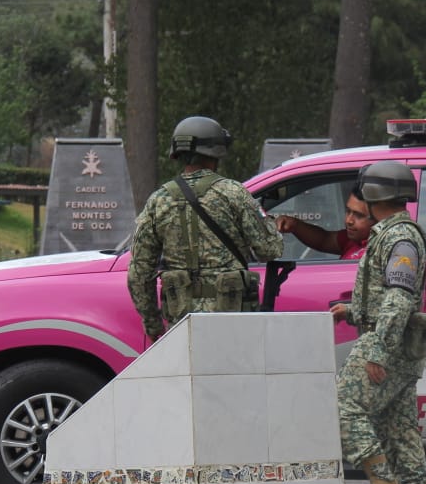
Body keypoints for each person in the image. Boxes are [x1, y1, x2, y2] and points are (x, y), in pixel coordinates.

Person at [127, 116, 283, 340]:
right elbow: (270, 250)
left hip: (181, 326)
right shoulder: (234, 193)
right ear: (217, 150)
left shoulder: (158, 200)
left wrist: (153, 327)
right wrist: (270, 223)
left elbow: (139, 273)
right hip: (233, 324)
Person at [332, 160, 426, 484]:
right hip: (402, 344)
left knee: (342, 407)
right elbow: (387, 295)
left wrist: (378, 348)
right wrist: (351, 312)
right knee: (399, 427)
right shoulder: (396, 235)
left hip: (388, 343)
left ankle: (383, 482)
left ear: (373, 194)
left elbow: (399, 297)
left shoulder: (400, 238)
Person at [275, 186, 374, 259]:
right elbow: (324, 240)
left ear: (378, 217)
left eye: (359, 215)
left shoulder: (380, 253)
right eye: (348, 211)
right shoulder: (354, 240)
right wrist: (295, 225)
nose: (349, 220)